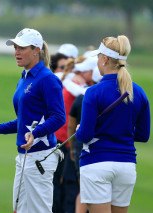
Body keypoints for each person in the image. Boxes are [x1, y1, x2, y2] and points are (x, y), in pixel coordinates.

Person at [0, 28, 66, 213]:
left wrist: (35, 134)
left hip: (39, 157)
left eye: (22, 48)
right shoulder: (24, 78)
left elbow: (59, 117)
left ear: (36, 50)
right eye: (15, 47)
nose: (16, 52)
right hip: (24, 157)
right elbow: (24, 121)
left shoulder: (47, 79)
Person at [75, 35, 150, 213]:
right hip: (126, 166)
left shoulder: (93, 92)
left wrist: (79, 130)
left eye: (98, 57)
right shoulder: (138, 92)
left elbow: (85, 135)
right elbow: (143, 135)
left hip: (96, 164)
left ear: (105, 59)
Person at [68, 67, 102, 213]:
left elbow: (71, 126)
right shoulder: (113, 96)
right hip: (105, 149)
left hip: (81, 146)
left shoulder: (82, 97)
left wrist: (71, 147)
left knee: (84, 191)